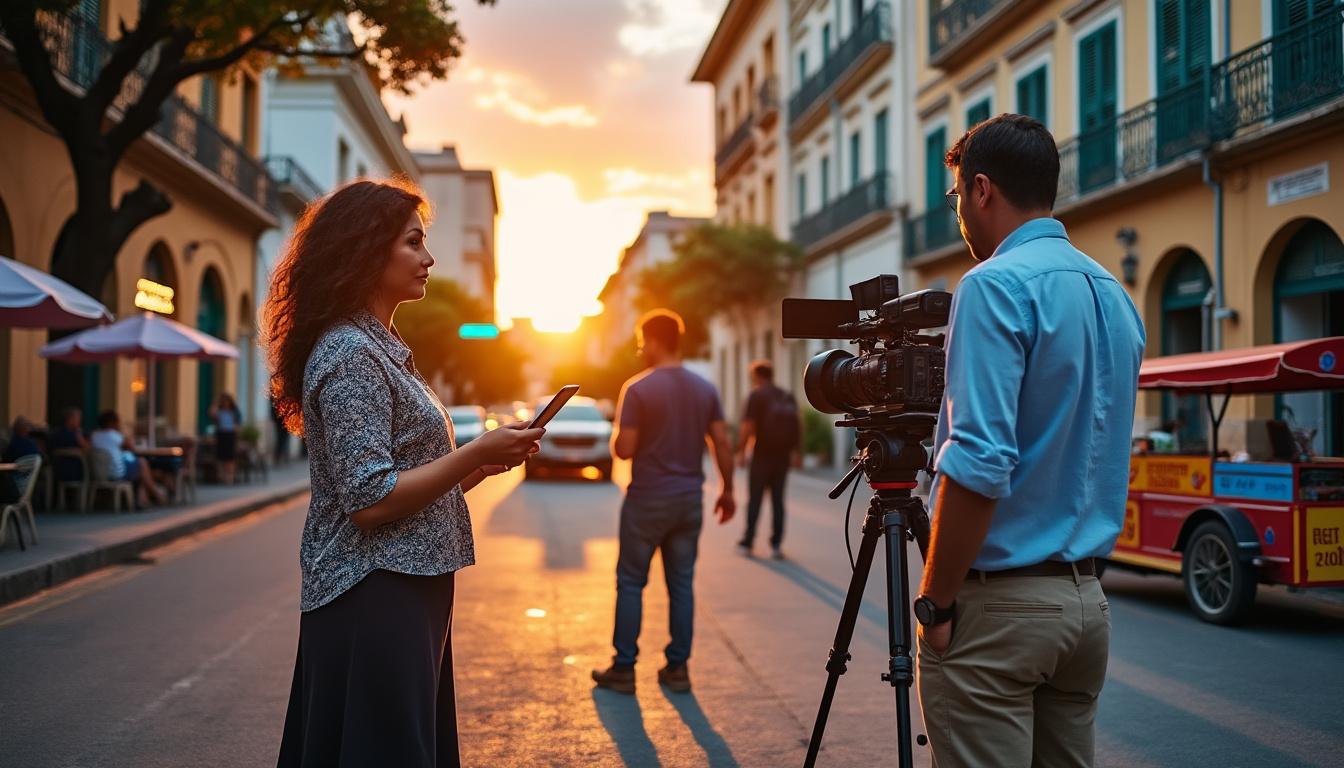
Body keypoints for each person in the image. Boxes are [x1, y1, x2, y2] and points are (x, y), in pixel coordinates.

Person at [263, 179, 544, 768]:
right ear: (367, 249)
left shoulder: (381, 346)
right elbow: (369, 500)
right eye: (414, 242)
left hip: (405, 590)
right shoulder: (349, 355)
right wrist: (469, 454)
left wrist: (478, 466)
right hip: (371, 595)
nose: (429, 258)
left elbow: (402, 482)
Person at [914, 114, 1145, 767]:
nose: (958, 212)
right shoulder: (1114, 293)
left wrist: (936, 601)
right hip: (1085, 605)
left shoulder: (992, 285)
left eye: (957, 196)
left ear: (982, 189)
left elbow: (979, 462)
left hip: (1003, 611)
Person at [591, 309, 736, 695]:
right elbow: (721, 442)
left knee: (631, 583)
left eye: (642, 341)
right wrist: (728, 489)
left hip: (647, 502)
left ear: (655, 340)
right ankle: (678, 669)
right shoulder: (705, 390)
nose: (640, 349)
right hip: (689, 499)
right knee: (682, 585)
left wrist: (617, 433)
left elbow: (624, 450)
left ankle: (623, 669)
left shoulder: (638, 389)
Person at [735, 359, 800, 559]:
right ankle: (776, 545)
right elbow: (798, 424)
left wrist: (742, 451)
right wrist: (797, 452)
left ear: (757, 376)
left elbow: (748, 426)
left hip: (762, 455)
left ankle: (748, 541)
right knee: (778, 500)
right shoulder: (786, 396)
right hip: (782, 456)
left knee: (755, 499)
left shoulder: (756, 395)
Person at [90, 410, 167, 507]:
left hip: (99, 473)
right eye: (117, 421)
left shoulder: (94, 435)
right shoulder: (114, 435)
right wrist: (123, 434)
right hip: (117, 472)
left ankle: (143, 499)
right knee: (142, 463)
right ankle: (154, 495)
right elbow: (132, 447)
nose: (119, 423)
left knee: (141, 469)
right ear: (112, 423)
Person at [48, 407, 90, 485]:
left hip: (56, 472)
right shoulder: (74, 435)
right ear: (70, 419)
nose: (79, 422)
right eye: (78, 419)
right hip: (74, 472)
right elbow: (87, 449)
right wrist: (79, 436)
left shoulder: (55, 433)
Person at [209, 393, 242, 484]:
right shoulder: (219, 410)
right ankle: (221, 477)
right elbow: (212, 414)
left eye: (227, 401)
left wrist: (236, 430)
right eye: (223, 401)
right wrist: (215, 402)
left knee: (230, 458)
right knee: (221, 457)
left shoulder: (234, 411)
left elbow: (239, 425)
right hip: (221, 434)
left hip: (230, 435)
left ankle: (230, 477)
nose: (225, 403)